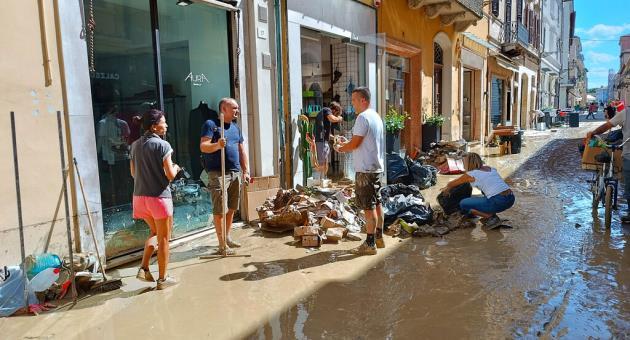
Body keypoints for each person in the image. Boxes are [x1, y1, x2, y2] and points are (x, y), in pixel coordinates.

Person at [130, 109, 180, 290]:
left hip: (139, 198)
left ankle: (144, 268)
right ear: (154, 127)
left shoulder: (135, 145)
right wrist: (176, 167)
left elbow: (133, 173)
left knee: (155, 233)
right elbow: (170, 175)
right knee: (164, 239)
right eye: (163, 122)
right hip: (159, 198)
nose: (166, 125)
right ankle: (163, 279)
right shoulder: (163, 145)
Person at [335, 87, 385, 255]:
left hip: (365, 170)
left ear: (364, 100)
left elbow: (355, 144)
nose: (352, 103)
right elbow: (362, 141)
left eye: (355, 100)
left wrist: (341, 148)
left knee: (368, 208)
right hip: (376, 168)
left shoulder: (362, 118)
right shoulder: (376, 116)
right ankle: (379, 237)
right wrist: (346, 143)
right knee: (377, 203)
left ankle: (370, 244)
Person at [200, 98, 250, 255]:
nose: (237, 111)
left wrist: (246, 170)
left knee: (231, 208)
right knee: (220, 209)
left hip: (235, 172)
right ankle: (221, 244)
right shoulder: (211, 125)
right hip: (217, 173)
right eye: (234, 108)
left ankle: (227, 238)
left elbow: (242, 150)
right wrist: (217, 145)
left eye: (237, 108)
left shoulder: (235, 128)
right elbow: (203, 146)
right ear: (224, 109)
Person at [441, 153, 515, 229]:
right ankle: (491, 212)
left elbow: (451, 184)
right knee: (485, 191)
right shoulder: (490, 169)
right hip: (511, 198)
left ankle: (490, 217)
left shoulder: (472, 174)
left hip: (498, 201)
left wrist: (446, 189)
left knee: (463, 203)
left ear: (467, 163)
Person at [585, 101, 630, 222]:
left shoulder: (625, 113)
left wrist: (595, 132)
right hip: (627, 155)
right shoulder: (625, 113)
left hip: (627, 155)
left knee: (628, 186)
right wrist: (594, 133)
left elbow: (608, 125)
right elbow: (608, 125)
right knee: (628, 186)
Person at [309, 102, 343, 178]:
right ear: (334, 110)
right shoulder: (326, 110)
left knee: (325, 163)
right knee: (321, 163)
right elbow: (332, 118)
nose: (336, 116)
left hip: (324, 141)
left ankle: (323, 179)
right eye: (337, 114)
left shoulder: (325, 118)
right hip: (320, 141)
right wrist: (339, 119)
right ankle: (319, 180)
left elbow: (328, 134)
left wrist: (335, 138)